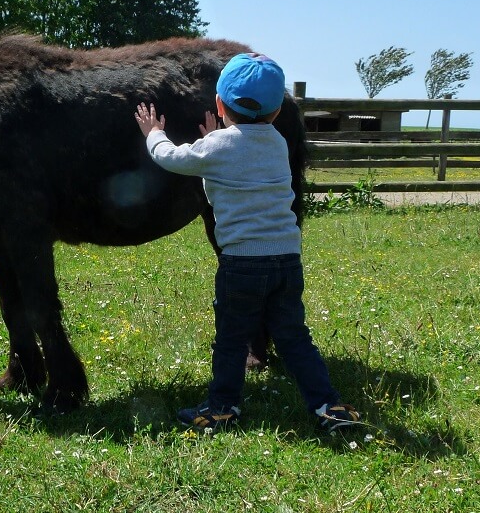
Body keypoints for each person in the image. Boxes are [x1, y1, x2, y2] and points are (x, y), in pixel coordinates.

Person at [134, 52, 361, 434]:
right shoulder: (276, 143)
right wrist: (218, 140)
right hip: (287, 262)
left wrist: (152, 132)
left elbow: (170, 157)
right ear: (275, 113)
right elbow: (242, 157)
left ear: (219, 105)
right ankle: (328, 405)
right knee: (294, 338)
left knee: (231, 341)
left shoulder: (215, 148)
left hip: (242, 265)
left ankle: (222, 407)